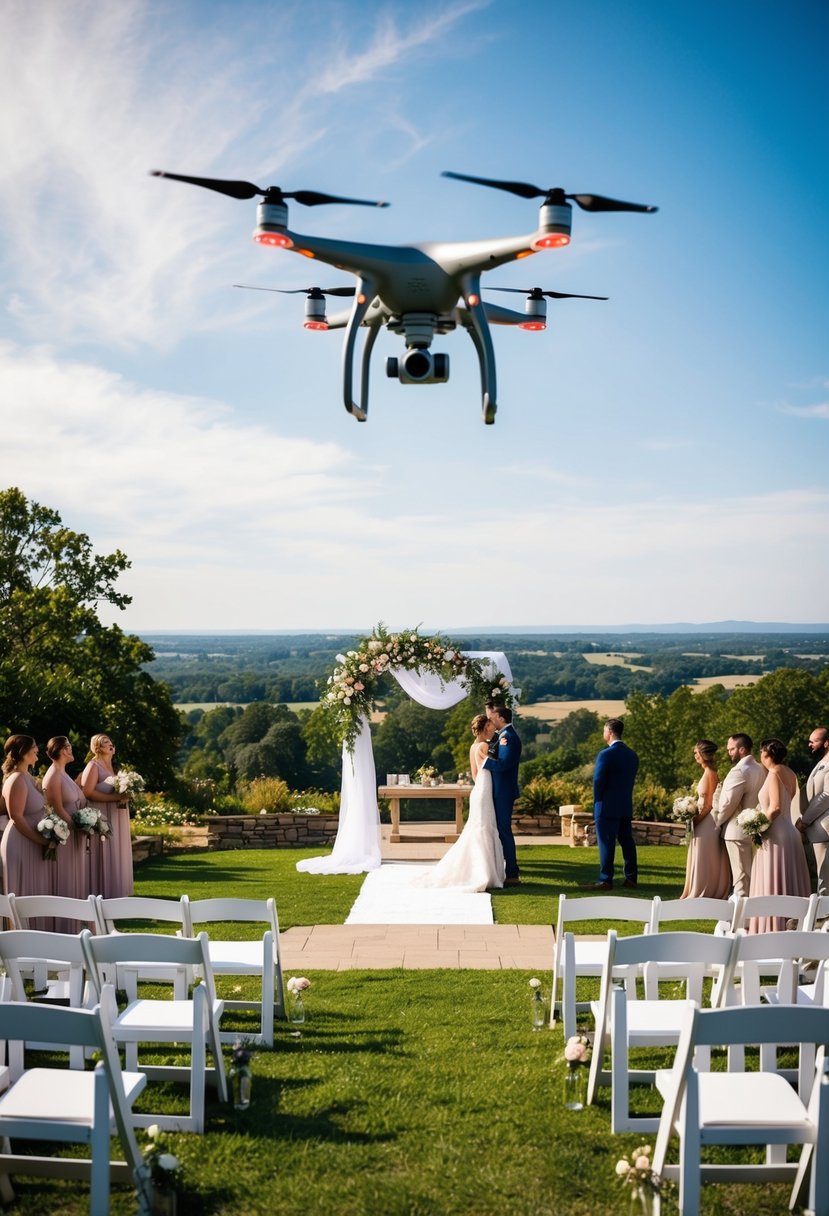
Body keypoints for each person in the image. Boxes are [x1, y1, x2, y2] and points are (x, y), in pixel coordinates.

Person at [418, 714, 505, 891]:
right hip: (484, 791)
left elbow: (474, 774)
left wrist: (482, 782)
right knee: (484, 828)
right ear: (485, 727)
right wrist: (501, 746)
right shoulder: (484, 745)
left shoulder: (473, 747)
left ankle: (479, 871)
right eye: (490, 725)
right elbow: (495, 765)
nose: (493, 729)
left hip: (478, 788)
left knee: (479, 828)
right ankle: (484, 874)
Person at [746, 738, 811, 932]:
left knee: (774, 878)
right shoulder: (790, 773)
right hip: (789, 831)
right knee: (788, 878)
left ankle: (772, 926)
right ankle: (791, 924)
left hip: (775, 834)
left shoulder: (774, 774)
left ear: (767, 754)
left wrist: (757, 826)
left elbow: (774, 808)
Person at [1, 734, 57, 920]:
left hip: (32, 841)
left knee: (36, 892)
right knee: (23, 895)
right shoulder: (16, 779)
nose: (37, 750)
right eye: (34, 747)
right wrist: (40, 839)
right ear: (23, 752)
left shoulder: (28, 778)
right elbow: (16, 816)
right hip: (21, 842)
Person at [711, 732, 766, 899]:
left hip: (736, 831)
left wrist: (717, 822)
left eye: (732, 749)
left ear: (742, 749)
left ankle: (741, 920)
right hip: (755, 829)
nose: (729, 752)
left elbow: (728, 803)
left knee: (741, 878)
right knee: (752, 876)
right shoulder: (761, 769)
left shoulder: (739, 771)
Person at [80, 733, 133, 898]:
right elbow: (87, 792)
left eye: (111, 741)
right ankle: (101, 893)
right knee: (103, 852)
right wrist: (116, 798)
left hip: (118, 815)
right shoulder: (93, 766)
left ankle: (117, 894)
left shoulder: (113, 768)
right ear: (97, 747)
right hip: (102, 817)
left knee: (117, 852)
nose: (110, 744)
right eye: (105, 742)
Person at [589, 718, 639, 890]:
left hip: (607, 805)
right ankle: (631, 878)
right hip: (625, 805)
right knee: (627, 842)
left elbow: (598, 781)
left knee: (606, 843)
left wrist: (597, 803)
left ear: (609, 732)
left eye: (604, 731)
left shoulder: (606, 754)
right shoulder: (632, 755)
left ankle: (605, 879)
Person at [680, 739, 731, 899]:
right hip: (703, 819)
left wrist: (695, 821)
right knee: (700, 855)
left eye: (696, 752)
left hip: (706, 821)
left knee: (703, 857)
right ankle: (695, 890)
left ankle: (703, 891)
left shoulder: (710, 773)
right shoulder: (709, 772)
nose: (694, 755)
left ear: (703, 754)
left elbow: (708, 805)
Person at [43, 736, 90, 904]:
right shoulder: (53, 775)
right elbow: (56, 808)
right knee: (66, 876)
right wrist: (75, 826)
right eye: (69, 746)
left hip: (74, 832)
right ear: (64, 750)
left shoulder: (62, 772)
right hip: (65, 834)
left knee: (76, 875)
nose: (72, 749)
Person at [483, 704, 521, 885]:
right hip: (499, 790)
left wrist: (484, 763)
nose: (491, 720)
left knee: (504, 830)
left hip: (504, 791)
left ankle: (513, 873)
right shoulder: (502, 736)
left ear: (501, 718)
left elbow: (504, 764)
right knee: (500, 830)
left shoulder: (510, 738)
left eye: (493, 717)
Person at [796, 726, 829, 896]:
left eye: (814, 741)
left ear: (826, 743)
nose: (809, 744)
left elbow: (826, 796)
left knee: (825, 877)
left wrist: (805, 820)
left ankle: (824, 916)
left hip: (824, 828)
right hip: (816, 829)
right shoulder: (822, 762)